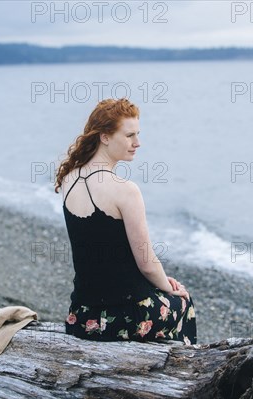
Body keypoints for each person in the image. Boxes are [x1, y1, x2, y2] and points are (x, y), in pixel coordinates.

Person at [54, 98, 197, 344]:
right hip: (125, 317)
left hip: (82, 317)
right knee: (184, 303)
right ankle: (183, 374)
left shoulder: (69, 178)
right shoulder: (126, 191)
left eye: (138, 134)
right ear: (105, 137)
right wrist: (170, 288)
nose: (137, 143)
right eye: (129, 135)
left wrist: (160, 285)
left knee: (159, 293)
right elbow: (147, 264)